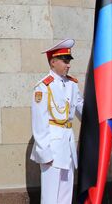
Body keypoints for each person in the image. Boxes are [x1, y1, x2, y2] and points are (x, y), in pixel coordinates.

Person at [30, 39, 83, 204]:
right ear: (53, 62)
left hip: (67, 145)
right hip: (51, 148)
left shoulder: (72, 85)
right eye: (65, 61)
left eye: (69, 61)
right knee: (51, 197)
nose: (68, 65)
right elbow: (39, 123)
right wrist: (44, 152)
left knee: (66, 195)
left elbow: (83, 110)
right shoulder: (43, 87)